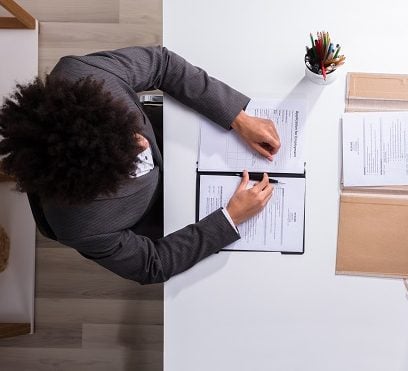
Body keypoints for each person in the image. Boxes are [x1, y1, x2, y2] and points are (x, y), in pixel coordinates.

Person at [0, 46, 281, 284]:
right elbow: (152, 264)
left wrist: (238, 118)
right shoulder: (83, 227)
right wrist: (230, 218)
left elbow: (162, 63)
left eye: (129, 131)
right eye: (127, 154)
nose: (143, 144)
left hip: (178, 132)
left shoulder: (82, 75)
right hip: (157, 212)